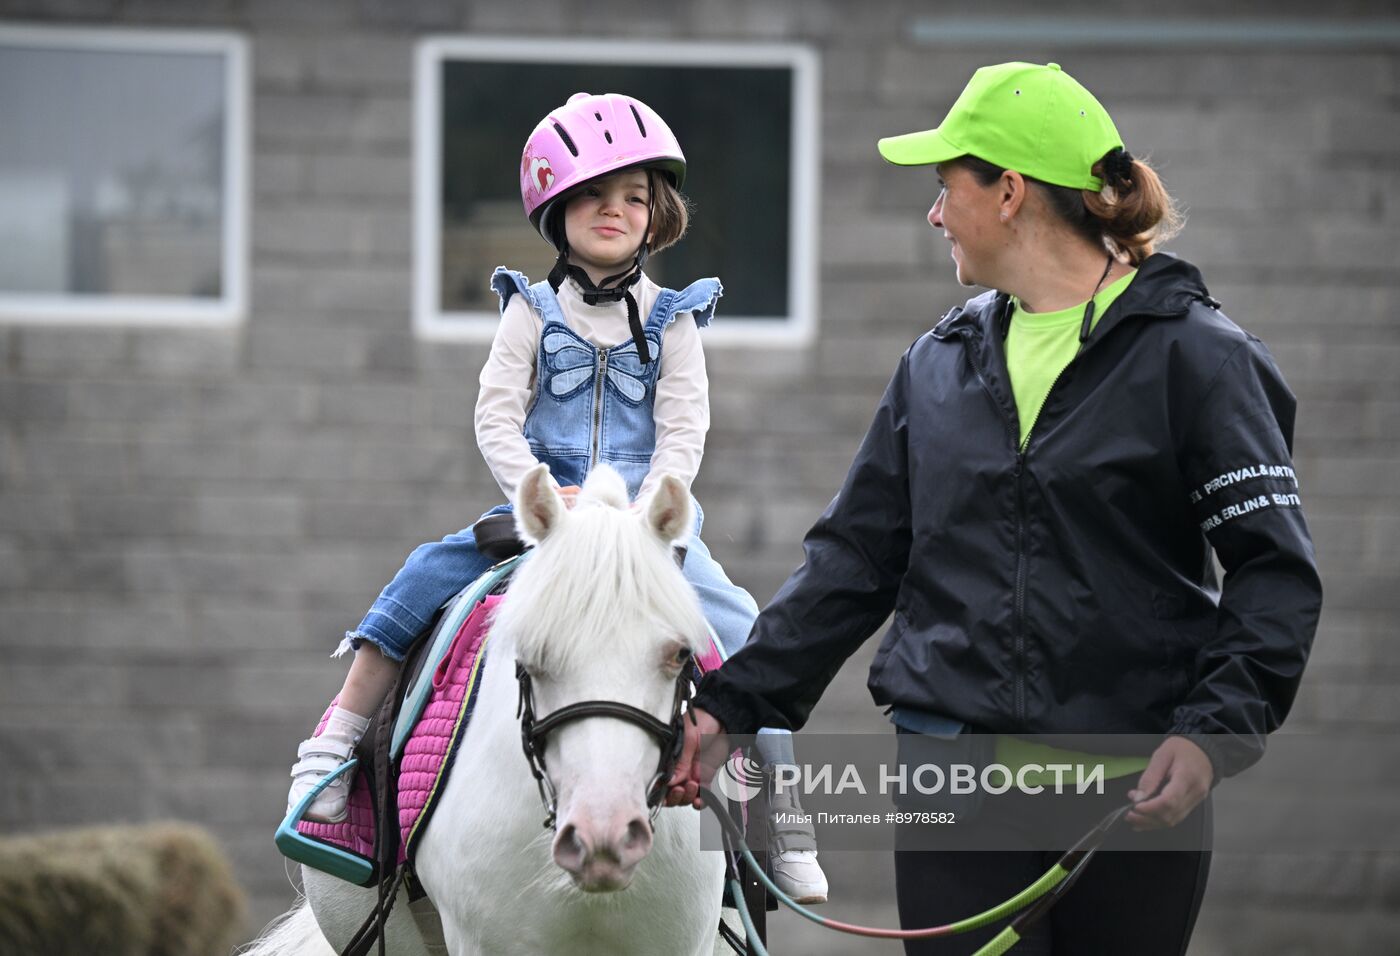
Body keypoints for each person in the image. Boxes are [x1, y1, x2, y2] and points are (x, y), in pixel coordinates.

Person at [667, 61, 1322, 954]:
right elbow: (854, 563)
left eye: (946, 187)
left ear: (1009, 192)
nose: (934, 213)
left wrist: (1213, 736)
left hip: (1127, 798)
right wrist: (731, 704)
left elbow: (1274, 572)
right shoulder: (935, 367)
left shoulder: (1200, 360)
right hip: (954, 787)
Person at [286, 92, 828, 901]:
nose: (616, 212)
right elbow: (495, 417)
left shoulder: (676, 318)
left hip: (651, 523)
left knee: (744, 628)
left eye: (635, 198)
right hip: (542, 514)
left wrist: (651, 507)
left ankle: (775, 818)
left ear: (659, 216)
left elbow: (685, 430)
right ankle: (336, 748)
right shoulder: (529, 311)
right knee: (417, 582)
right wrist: (539, 491)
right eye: (594, 196)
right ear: (555, 205)